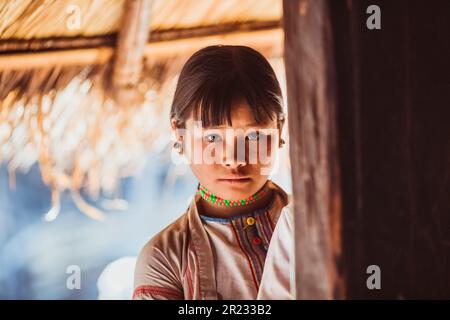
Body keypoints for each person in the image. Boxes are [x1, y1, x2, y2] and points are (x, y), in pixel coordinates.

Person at [133, 45, 291, 300]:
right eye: (213, 137)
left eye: (254, 135)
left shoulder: (317, 226)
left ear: (279, 129)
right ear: (179, 134)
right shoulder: (164, 261)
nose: (234, 159)